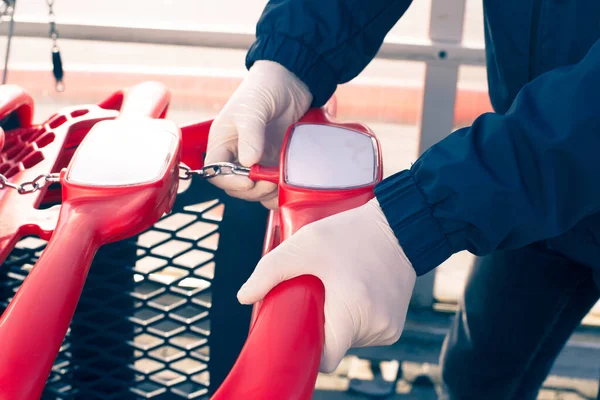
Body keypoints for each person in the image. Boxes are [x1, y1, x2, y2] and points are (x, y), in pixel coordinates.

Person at [205, 1, 600, 398]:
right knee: (475, 375)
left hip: (526, 169)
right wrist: (290, 58)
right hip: (527, 195)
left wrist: (418, 220)